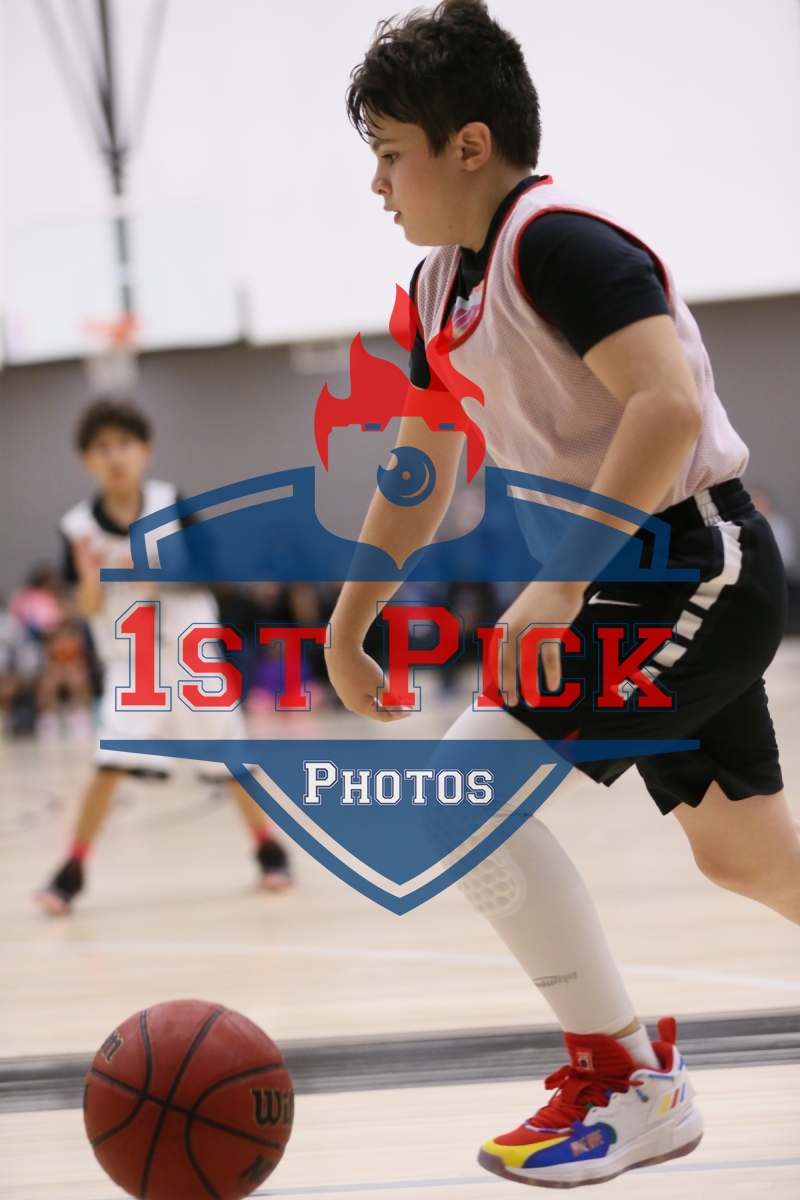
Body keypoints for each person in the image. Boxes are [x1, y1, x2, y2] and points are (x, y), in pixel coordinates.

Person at [326, 0, 797, 1187]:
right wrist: (350, 618)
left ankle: (630, 1085)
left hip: (687, 564)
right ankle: (628, 1082)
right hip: (628, 584)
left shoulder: (561, 243)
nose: (376, 184)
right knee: (746, 857)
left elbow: (665, 407)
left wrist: (556, 588)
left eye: (388, 154)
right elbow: (421, 460)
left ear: (467, 146)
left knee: (454, 802)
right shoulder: (437, 286)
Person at [35, 399, 292, 915]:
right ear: (87, 459)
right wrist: (91, 582)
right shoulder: (77, 527)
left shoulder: (172, 503)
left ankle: (269, 850)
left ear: (145, 451)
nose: (115, 456)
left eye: (124, 444)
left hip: (192, 658)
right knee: (109, 762)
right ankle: (71, 871)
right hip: (133, 667)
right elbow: (86, 606)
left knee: (233, 764)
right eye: (102, 447)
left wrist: (159, 575)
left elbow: (215, 572)